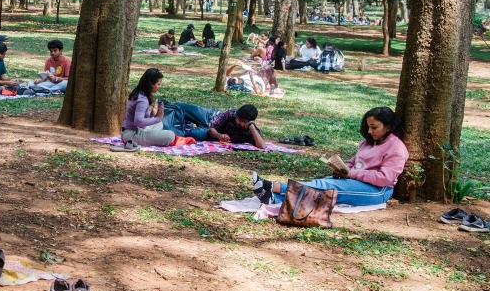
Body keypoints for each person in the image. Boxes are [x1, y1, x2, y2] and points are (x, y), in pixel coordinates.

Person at [254, 107, 408, 207]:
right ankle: (276, 199)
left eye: (374, 127)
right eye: (368, 127)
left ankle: (275, 187)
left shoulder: (396, 148)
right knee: (322, 186)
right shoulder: (370, 142)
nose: (369, 131)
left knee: (327, 186)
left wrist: (352, 174)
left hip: (377, 190)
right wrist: (342, 169)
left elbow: (384, 178)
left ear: (388, 127)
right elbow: (353, 162)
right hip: (355, 180)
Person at [116, 68, 175, 150]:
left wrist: (152, 114)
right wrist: (157, 118)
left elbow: (138, 118)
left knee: (159, 124)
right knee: (170, 136)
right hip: (131, 135)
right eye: (158, 84)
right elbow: (138, 121)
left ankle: (151, 136)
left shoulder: (139, 93)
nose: (159, 87)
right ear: (151, 84)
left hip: (133, 130)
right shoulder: (142, 99)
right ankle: (152, 137)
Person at [160, 102, 267, 148]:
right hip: (210, 117)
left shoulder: (250, 131)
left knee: (186, 134)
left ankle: (161, 126)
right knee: (182, 107)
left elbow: (262, 146)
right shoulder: (232, 114)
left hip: (208, 134)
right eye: (238, 118)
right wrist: (220, 136)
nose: (237, 121)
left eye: (242, 121)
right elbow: (212, 128)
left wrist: (252, 127)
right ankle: (161, 109)